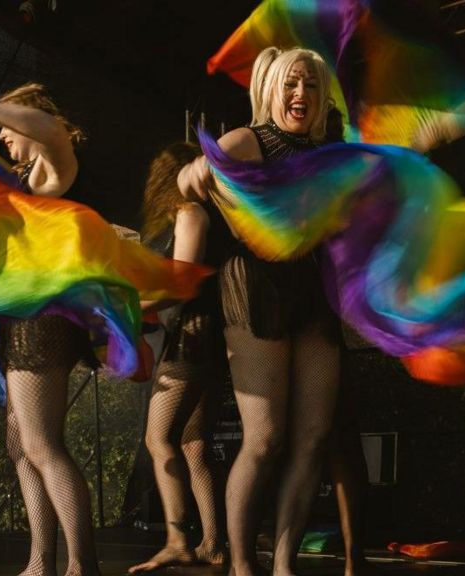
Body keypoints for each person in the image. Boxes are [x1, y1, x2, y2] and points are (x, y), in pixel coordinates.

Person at [178, 47, 343, 576]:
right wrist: (198, 171)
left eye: (312, 86)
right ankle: (243, 565)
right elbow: (187, 178)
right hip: (256, 291)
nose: (301, 95)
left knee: (314, 437)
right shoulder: (251, 139)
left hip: (313, 294)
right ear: (272, 88)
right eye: (293, 84)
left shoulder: (329, 149)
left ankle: (284, 566)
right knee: (266, 439)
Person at [0, 85, 99, 576]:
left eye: (9, 124)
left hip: (42, 322)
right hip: (17, 322)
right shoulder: (23, 175)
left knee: (42, 443)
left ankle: (81, 567)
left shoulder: (55, 170)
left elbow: (47, 129)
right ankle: (40, 562)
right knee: (19, 443)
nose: (3, 133)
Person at [128, 142, 232, 573]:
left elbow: (184, 282)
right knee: (193, 445)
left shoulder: (189, 213)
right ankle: (213, 543)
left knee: (159, 438)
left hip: (194, 336)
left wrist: (132, 306)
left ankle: (177, 540)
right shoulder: (190, 214)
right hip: (203, 335)